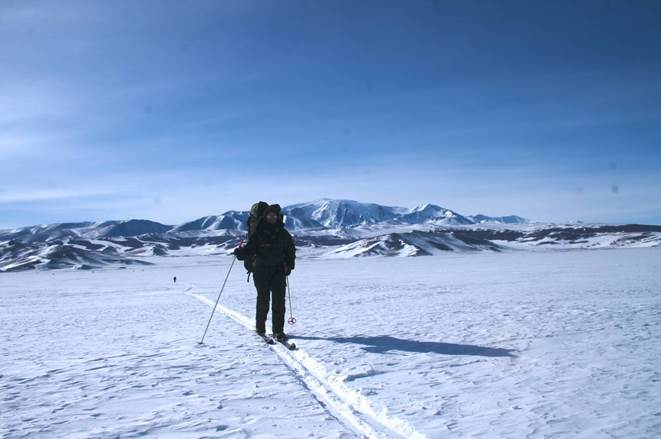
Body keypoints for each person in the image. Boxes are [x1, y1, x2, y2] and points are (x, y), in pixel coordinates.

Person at [233, 204, 295, 342]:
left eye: (274, 215)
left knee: (279, 301)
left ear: (277, 217)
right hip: (261, 270)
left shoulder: (283, 233)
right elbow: (250, 250)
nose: (272, 218)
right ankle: (260, 328)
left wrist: (289, 266)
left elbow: (290, 249)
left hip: (278, 270)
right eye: (270, 215)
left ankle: (278, 331)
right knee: (263, 299)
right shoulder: (258, 233)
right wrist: (241, 253)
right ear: (265, 217)